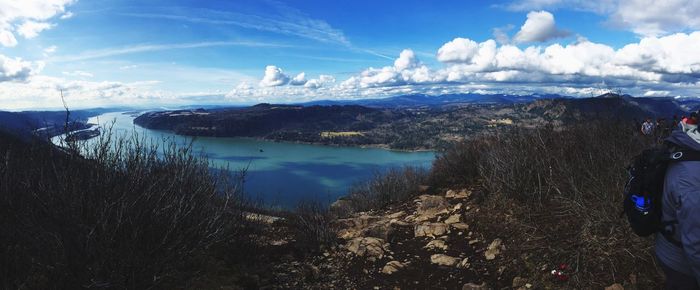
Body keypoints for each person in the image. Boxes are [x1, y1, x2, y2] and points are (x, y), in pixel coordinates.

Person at [656, 110, 700, 289]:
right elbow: (696, 245)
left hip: (672, 246)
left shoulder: (689, 147)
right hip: (682, 265)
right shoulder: (692, 181)